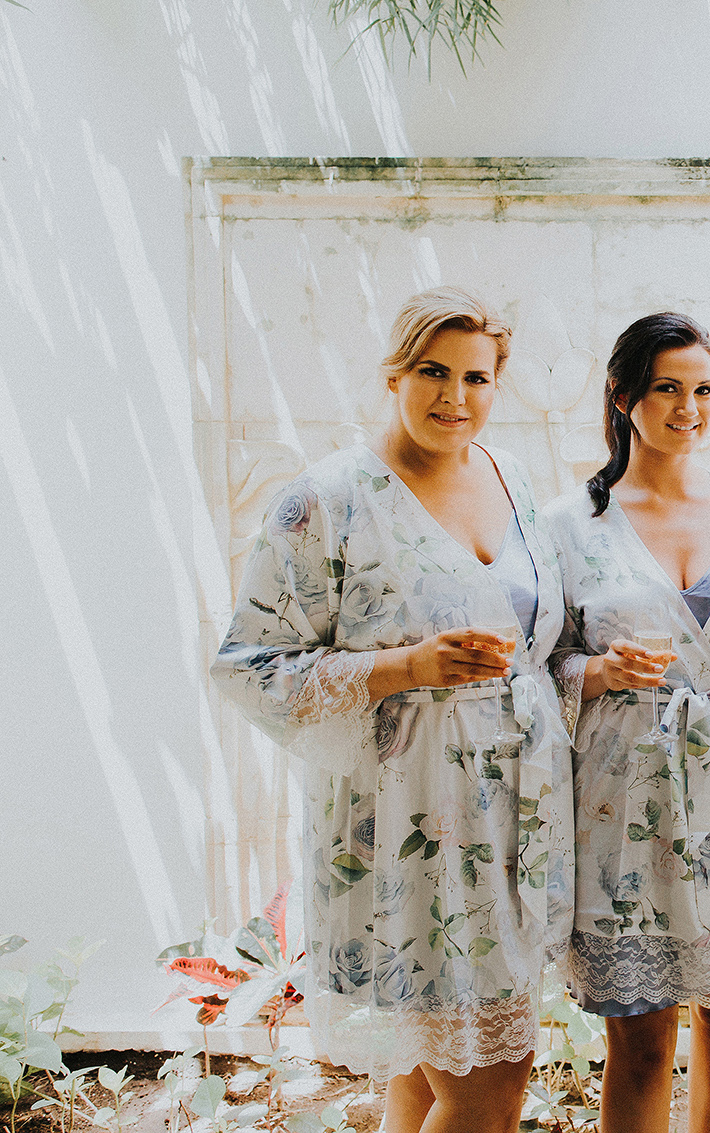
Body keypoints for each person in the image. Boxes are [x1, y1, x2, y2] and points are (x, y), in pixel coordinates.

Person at [211, 286, 573, 1133]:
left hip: (516, 823)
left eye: (477, 378)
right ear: (393, 374)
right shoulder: (328, 499)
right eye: (433, 372)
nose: (456, 397)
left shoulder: (511, 476)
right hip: (411, 834)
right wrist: (404, 667)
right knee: (487, 1090)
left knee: (426, 1076)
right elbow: (248, 664)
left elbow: (541, 642)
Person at [542, 313, 710, 1133]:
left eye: (703, 390)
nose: (687, 408)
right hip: (623, 791)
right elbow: (538, 662)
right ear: (622, 395)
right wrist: (598, 672)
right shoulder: (569, 523)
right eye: (667, 388)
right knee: (640, 1031)